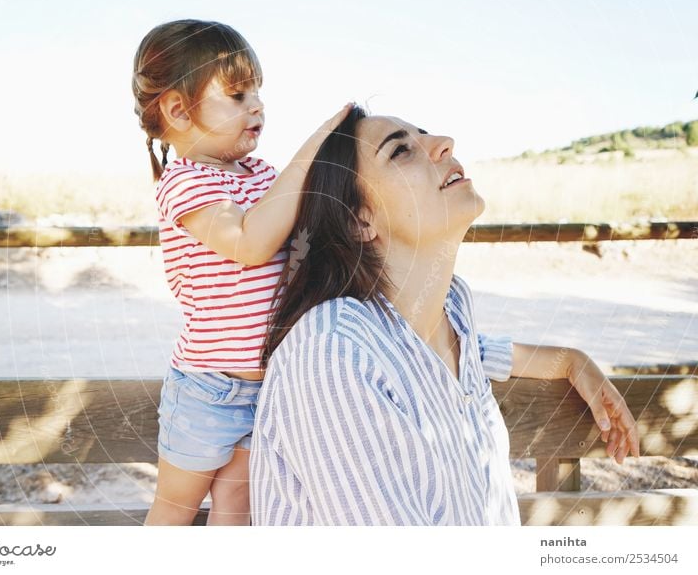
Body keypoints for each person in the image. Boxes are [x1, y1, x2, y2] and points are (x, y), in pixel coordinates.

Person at [250, 105, 641, 526]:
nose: (443, 143)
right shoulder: (331, 356)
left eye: (425, 135)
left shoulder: (451, 314)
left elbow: (471, 353)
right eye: (400, 152)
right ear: (359, 220)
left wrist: (569, 361)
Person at [131, 19, 350, 525]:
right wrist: (312, 151)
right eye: (236, 93)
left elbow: (298, 245)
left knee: (240, 508)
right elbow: (249, 244)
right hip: (209, 388)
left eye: (257, 91)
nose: (257, 105)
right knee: (174, 511)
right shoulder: (185, 184)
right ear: (178, 110)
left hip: (270, 385)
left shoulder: (264, 176)